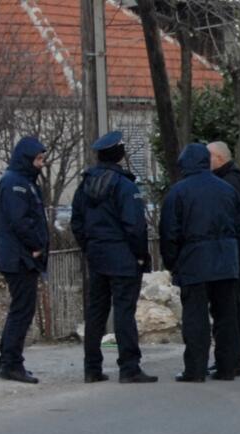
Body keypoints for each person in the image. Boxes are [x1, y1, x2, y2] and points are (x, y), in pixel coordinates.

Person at [71, 131, 158, 384]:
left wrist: (89, 246)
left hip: (97, 256)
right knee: (123, 312)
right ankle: (129, 367)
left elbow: (76, 222)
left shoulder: (84, 185)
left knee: (96, 312)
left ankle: (92, 367)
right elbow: (135, 226)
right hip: (123, 256)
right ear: (118, 154)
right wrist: (141, 255)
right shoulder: (125, 185)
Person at [159, 143, 240, 382]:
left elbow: (169, 233)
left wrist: (172, 262)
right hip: (226, 260)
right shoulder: (227, 189)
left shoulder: (178, 192)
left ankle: (195, 369)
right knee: (226, 317)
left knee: (196, 319)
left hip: (194, 261)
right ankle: (227, 367)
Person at [0, 136, 49, 384]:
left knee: (21, 309)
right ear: (26, 158)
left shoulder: (22, 182)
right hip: (20, 258)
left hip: (21, 257)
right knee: (22, 311)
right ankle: (11, 363)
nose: (41, 164)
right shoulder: (15, 183)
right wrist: (36, 245)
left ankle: (7, 359)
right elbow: (20, 221)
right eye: (38, 159)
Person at [207, 141, 240, 376]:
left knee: (233, 310)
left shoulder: (230, 182)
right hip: (236, 257)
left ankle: (234, 359)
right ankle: (232, 358)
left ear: (218, 158)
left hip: (234, 258)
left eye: (208, 157)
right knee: (232, 309)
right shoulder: (234, 179)